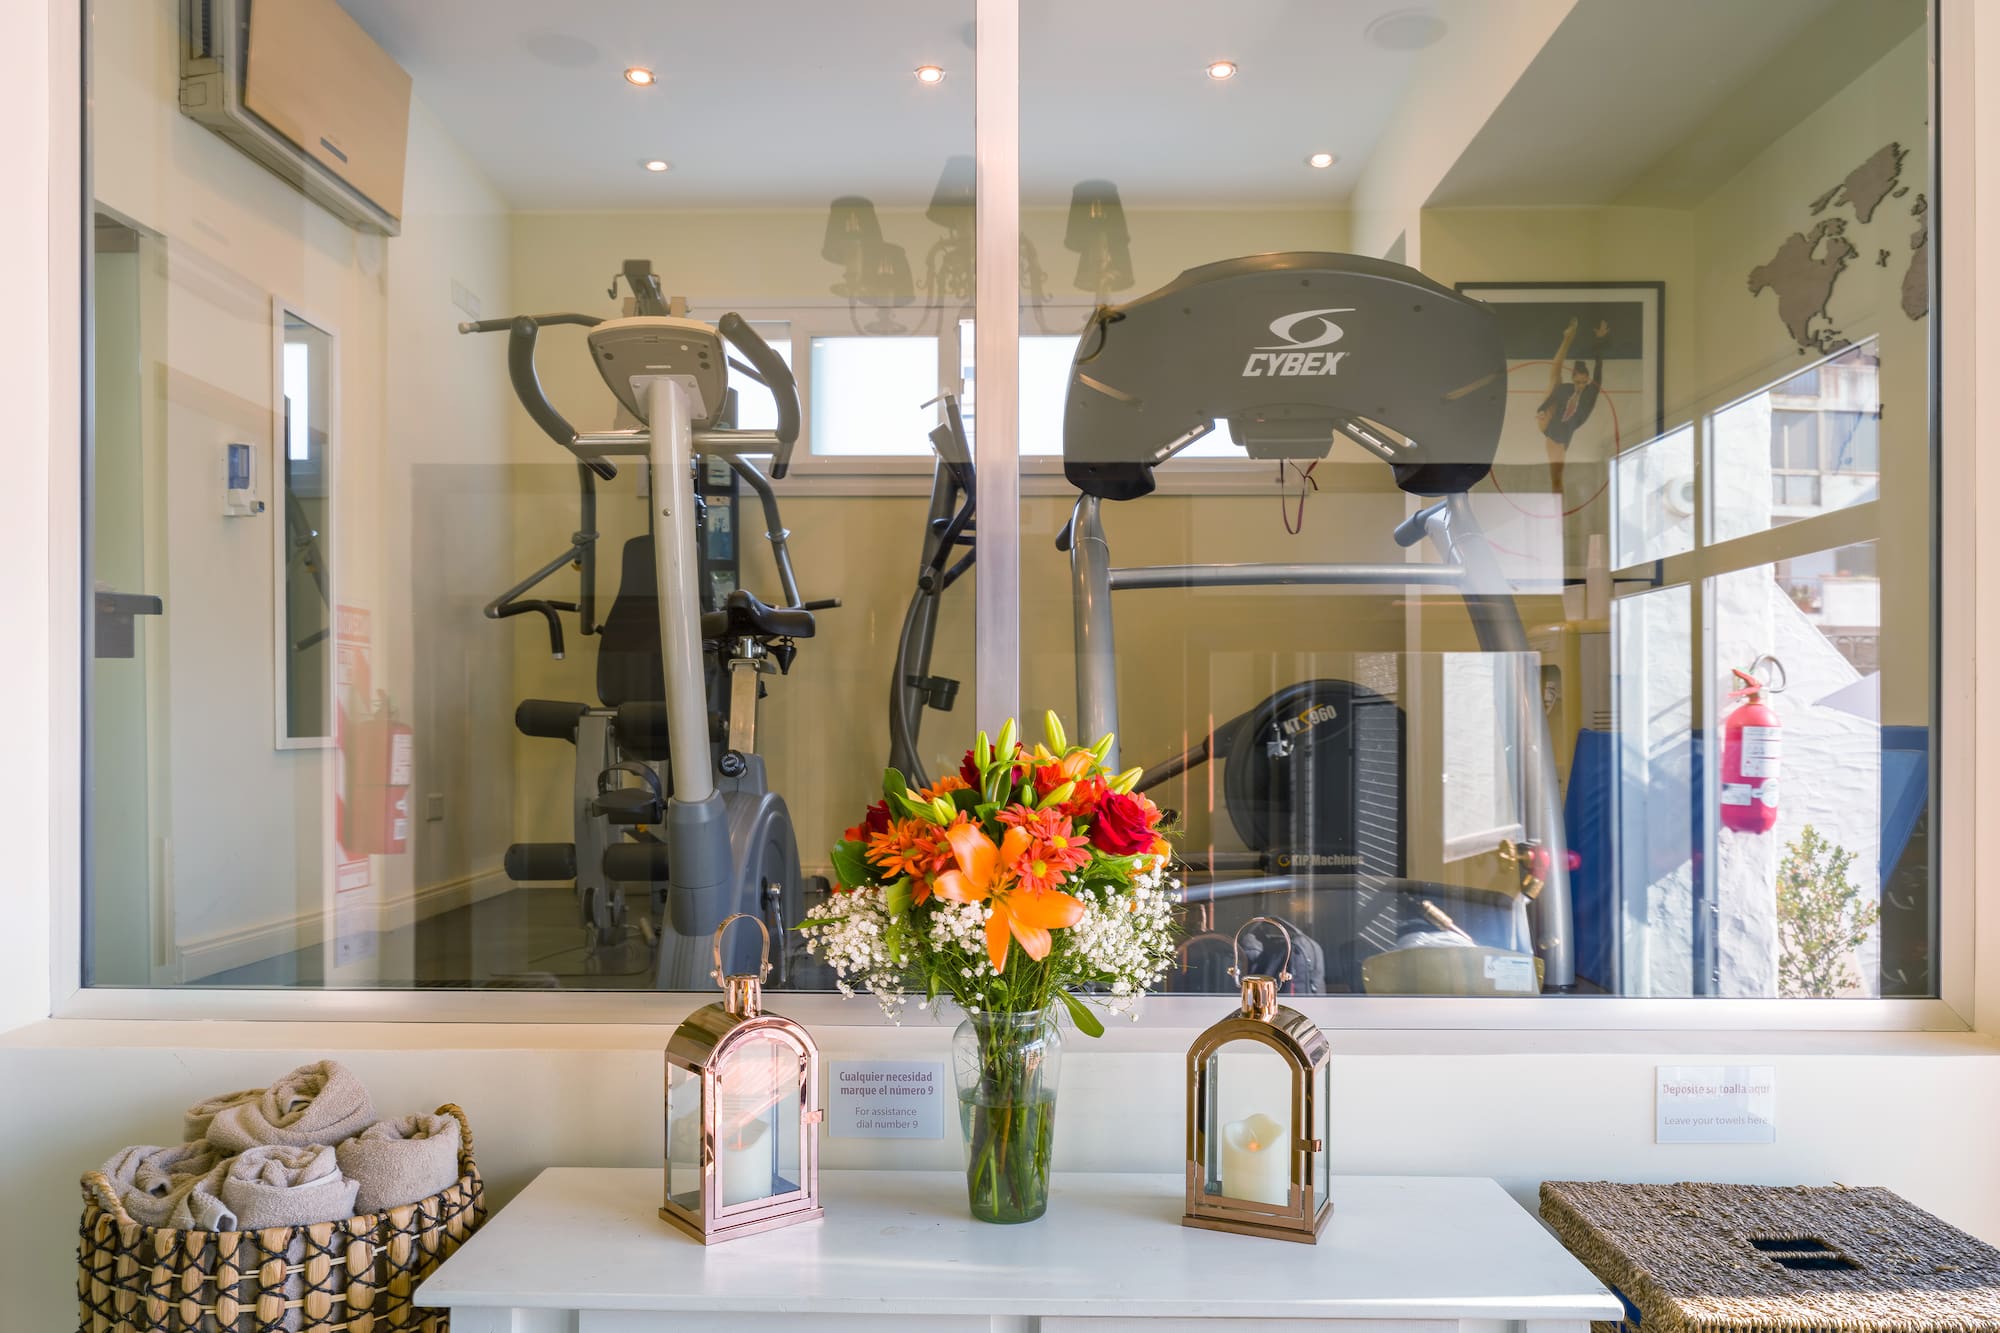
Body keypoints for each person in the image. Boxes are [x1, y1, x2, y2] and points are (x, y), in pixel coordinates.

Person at [1536, 317, 1609, 494]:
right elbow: (1553, 397)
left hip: (1561, 431)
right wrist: (1541, 410)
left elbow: (1598, 367)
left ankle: (1556, 492)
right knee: (1555, 376)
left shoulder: (1591, 392)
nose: (1580, 386)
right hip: (1551, 424)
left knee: (1556, 473)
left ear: (1588, 380)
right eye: (1577, 382)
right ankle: (1568, 337)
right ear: (1573, 379)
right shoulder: (1566, 388)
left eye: (1583, 382)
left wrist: (1600, 340)